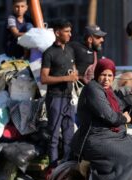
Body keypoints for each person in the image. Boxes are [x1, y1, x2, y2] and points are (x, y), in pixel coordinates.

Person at [41, 20, 78, 169]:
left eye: (70, 31)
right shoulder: (49, 53)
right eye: (67, 31)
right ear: (57, 33)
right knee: (54, 135)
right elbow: (44, 78)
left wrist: (76, 75)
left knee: (69, 135)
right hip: (55, 98)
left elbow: (74, 70)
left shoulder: (70, 50)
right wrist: (65, 78)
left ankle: (67, 167)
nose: (70, 34)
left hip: (69, 98)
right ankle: (53, 167)